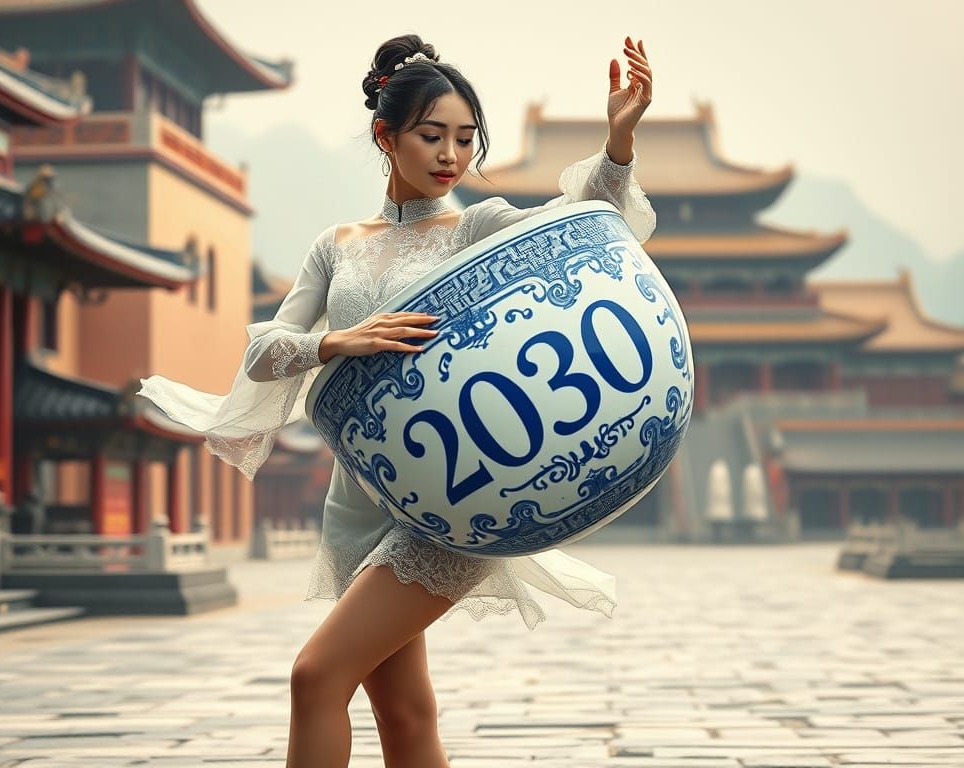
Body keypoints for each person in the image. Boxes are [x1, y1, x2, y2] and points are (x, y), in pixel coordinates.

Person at [138, 32, 655, 768]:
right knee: (406, 714)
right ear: (387, 135)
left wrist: (620, 139)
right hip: (358, 500)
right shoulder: (337, 244)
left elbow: (584, 236)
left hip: (448, 495)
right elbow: (262, 352)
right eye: (433, 134)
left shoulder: (478, 226)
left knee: (315, 676)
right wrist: (337, 343)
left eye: (466, 139)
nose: (452, 154)